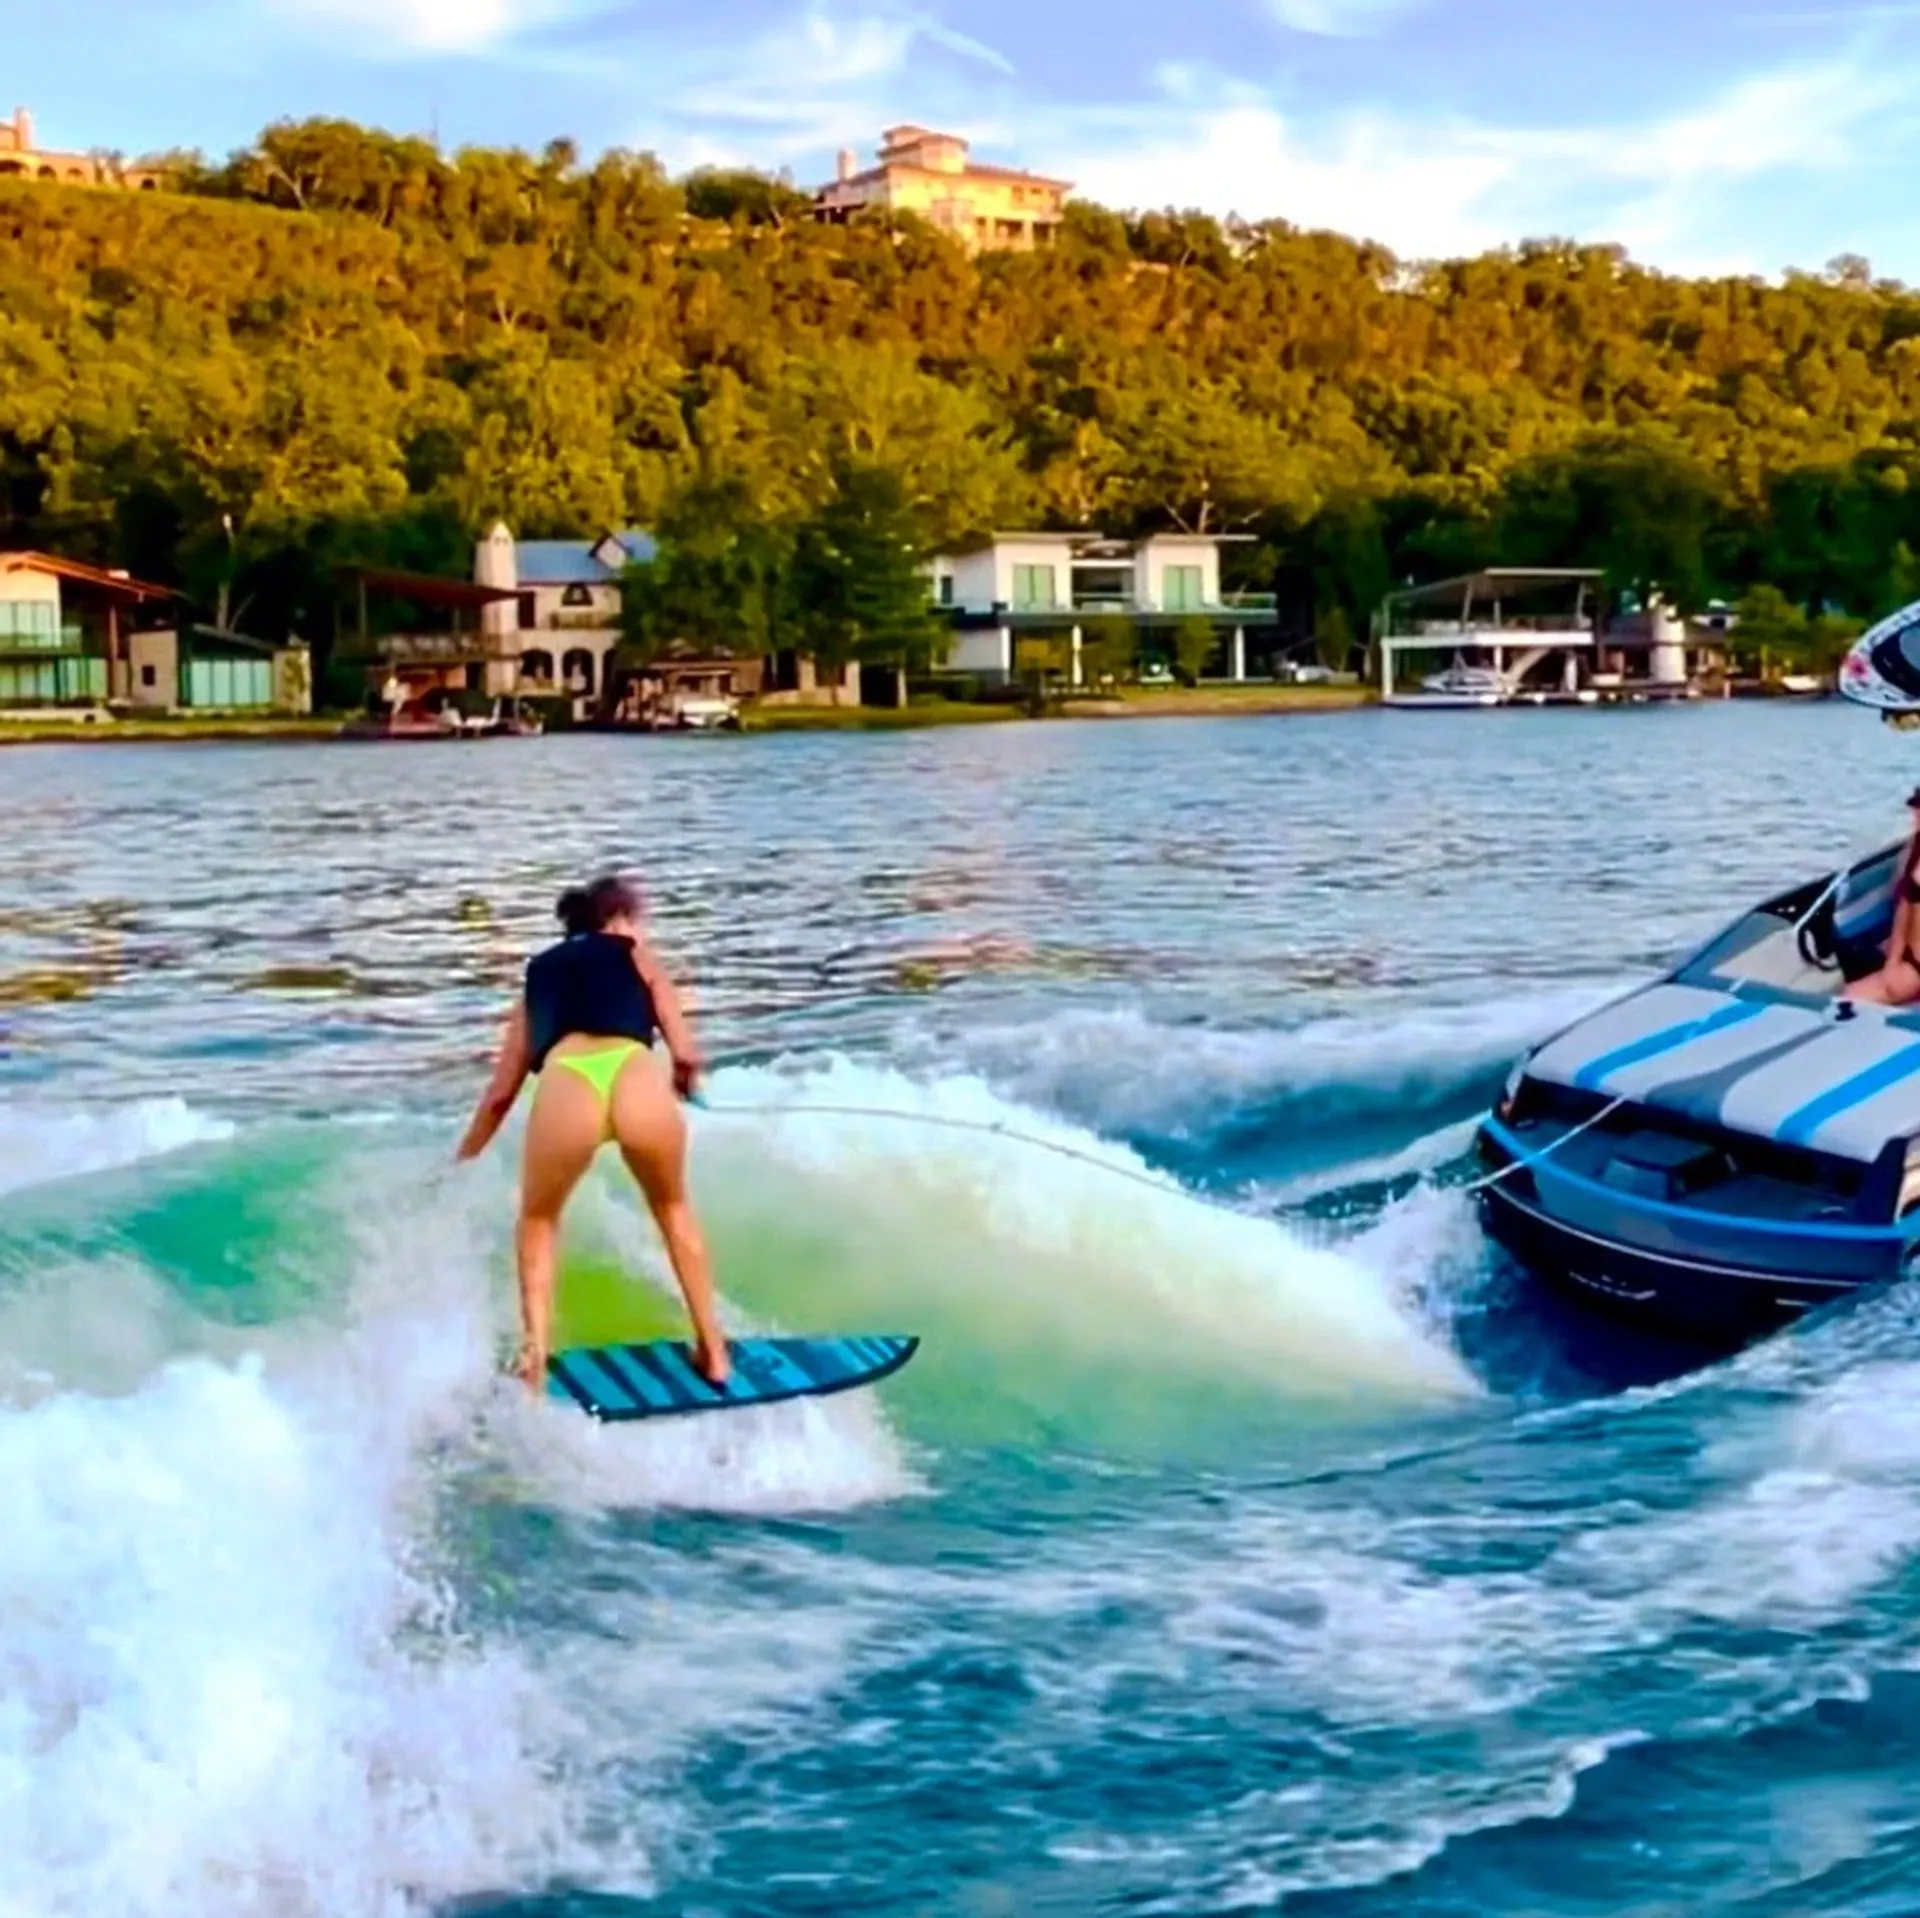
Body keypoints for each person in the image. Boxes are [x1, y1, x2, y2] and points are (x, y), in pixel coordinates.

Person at [455, 874, 730, 1392]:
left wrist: (462, 1160)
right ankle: (713, 1351)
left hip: (568, 1086)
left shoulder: (537, 977)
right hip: (633, 1076)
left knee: (537, 1221)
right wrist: (684, 1078)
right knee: (672, 1210)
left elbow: (499, 1096)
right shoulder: (634, 955)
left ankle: (535, 1360)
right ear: (618, 921)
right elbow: (687, 1053)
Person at [1845, 787, 1920, 1006]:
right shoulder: (1914, 846)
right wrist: (1893, 961)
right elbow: (1905, 905)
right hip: (1908, 953)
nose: (1916, 815)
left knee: (1847, 1000)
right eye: (1916, 808)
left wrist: (1902, 970)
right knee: (1851, 958)